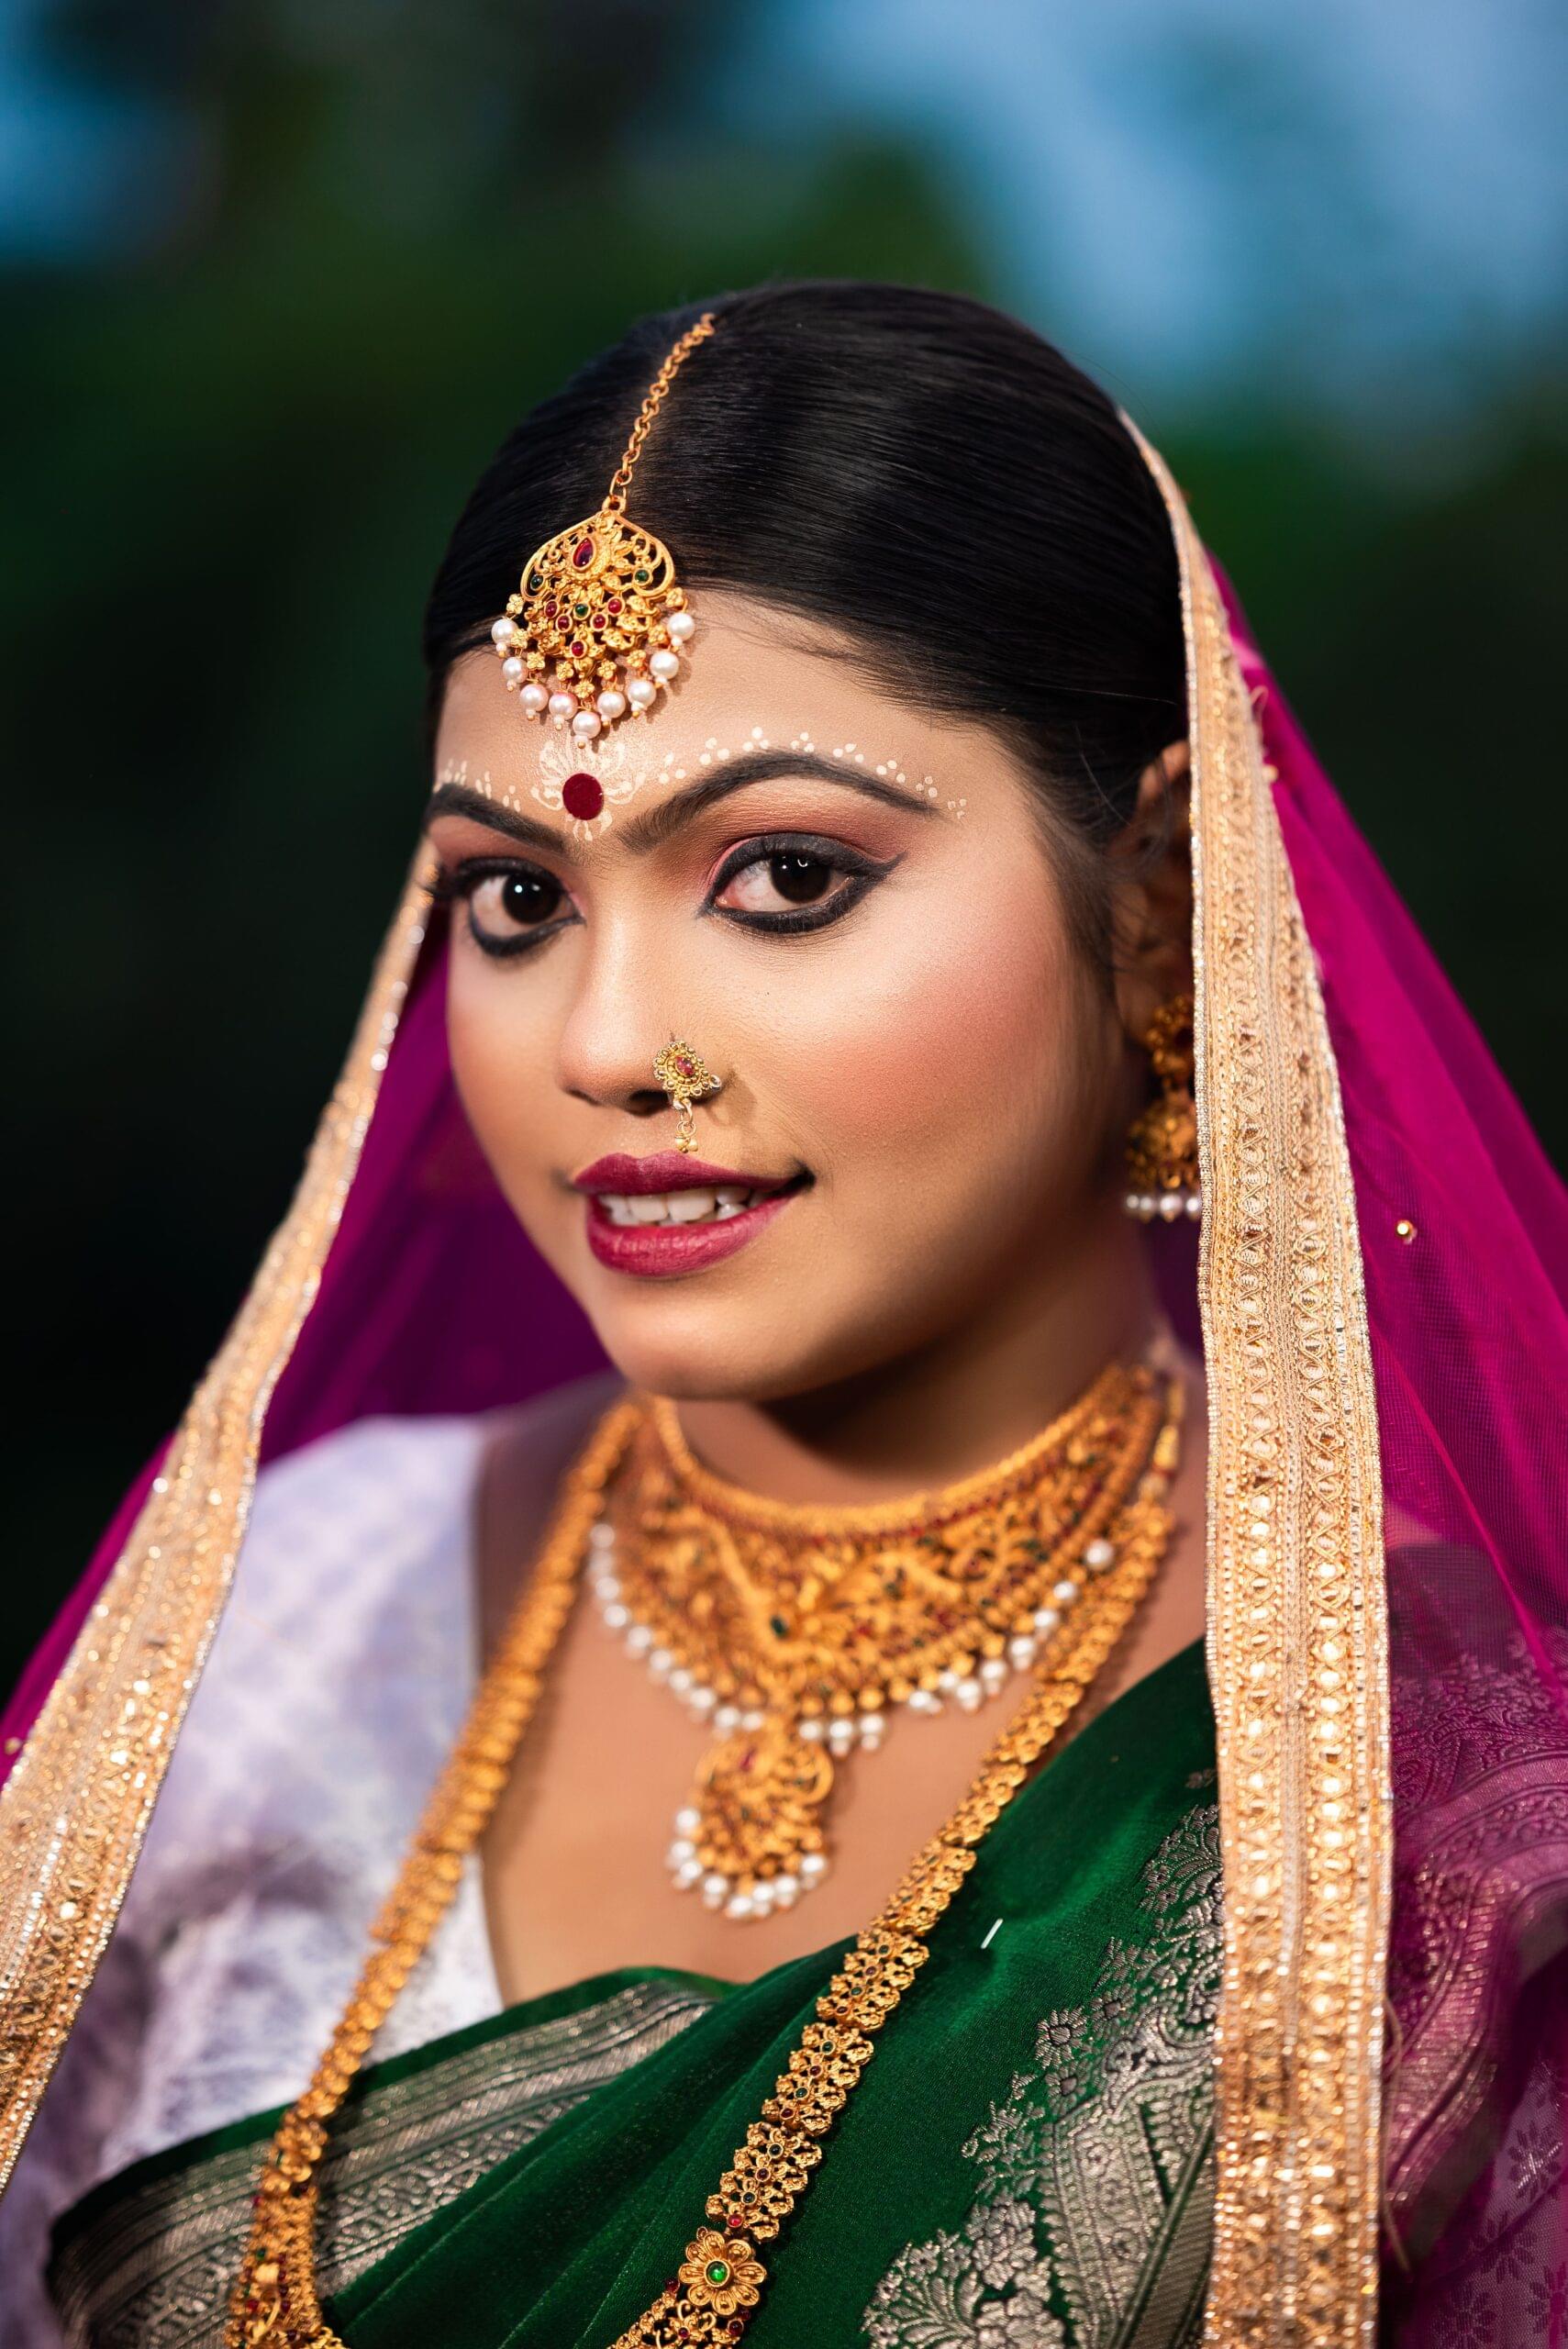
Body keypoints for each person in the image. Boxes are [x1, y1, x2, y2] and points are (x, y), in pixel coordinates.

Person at [0, 283, 1562, 2349]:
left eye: (789, 877)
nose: (609, 1040)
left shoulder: (1429, 1819)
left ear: (1163, 910)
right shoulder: (278, 1627)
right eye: (517, 898)